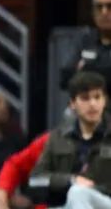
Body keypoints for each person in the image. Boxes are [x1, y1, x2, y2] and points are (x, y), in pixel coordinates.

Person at [31, 71, 111, 208]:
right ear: (72, 104)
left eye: (97, 97)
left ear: (105, 101)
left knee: (79, 193)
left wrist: (91, 189)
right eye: (85, 98)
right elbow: (35, 180)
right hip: (64, 205)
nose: (92, 104)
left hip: (104, 203)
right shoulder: (57, 137)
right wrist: (70, 180)